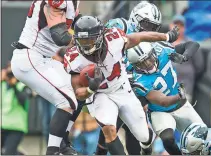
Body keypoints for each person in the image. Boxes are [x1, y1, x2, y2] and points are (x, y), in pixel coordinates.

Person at [64, 15, 179, 155]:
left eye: (90, 39)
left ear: (100, 36)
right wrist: (91, 88)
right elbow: (78, 93)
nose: (87, 44)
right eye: (82, 40)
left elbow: (140, 37)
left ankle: (146, 145)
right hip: (99, 94)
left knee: (144, 136)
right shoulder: (73, 57)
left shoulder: (114, 39)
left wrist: (166, 37)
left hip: (121, 87)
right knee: (109, 130)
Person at [10, 0, 80, 154]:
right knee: (66, 101)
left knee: (80, 89)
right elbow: (60, 36)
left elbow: (75, 20)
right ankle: (53, 150)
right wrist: (85, 39)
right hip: (30, 57)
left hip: (45, 59)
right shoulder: (55, 3)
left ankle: (63, 140)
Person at [95, 1, 162, 155]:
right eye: (147, 25)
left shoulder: (148, 45)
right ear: (136, 18)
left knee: (135, 138)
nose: (149, 30)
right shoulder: (120, 26)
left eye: (153, 27)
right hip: (111, 87)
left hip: (133, 92)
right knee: (109, 129)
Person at [126, 40, 203, 155]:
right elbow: (163, 102)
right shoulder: (137, 80)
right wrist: (179, 96)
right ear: (135, 65)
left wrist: (184, 57)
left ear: (153, 52)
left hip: (181, 106)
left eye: (149, 58)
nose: (148, 64)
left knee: (202, 138)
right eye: (142, 63)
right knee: (168, 139)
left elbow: (193, 44)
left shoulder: (162, 50)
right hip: (159, 111)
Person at [170, 15, 205, 102]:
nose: (178, 27)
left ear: (184, 28)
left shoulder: (191, 45)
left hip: (185, 89)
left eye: (181, 25)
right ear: (170, 26)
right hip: (167, 91)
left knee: (183, 113)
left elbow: (199, 66)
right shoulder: (164, 43)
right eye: (175, 24)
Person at [1, 64, 32, 155]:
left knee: (8, 153)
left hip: (16, 127)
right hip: (2, 126)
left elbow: (23, 99)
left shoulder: (22, 86)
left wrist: (14, 86)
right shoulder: (2, 85)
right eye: (9, 73)